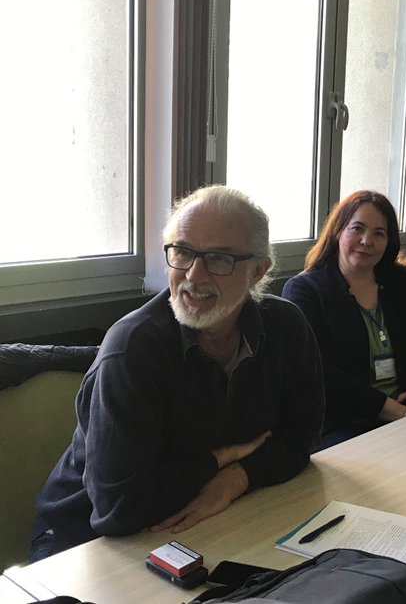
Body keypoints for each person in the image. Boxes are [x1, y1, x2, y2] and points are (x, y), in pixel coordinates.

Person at [31, 186, 325, 560]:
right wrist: (222, 458)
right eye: (183, 252)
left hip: (207, 523)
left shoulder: (286, 326)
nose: (193, 274)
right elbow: (119, 508)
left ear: (257, 271)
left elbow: (303, 436)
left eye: (218, 258)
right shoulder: (133, 349)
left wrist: (236, 478)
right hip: (80, 542)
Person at [282, 191, 406, 449]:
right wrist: (393, 411)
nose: (366, 241)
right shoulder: (305, 290)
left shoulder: (405, 283)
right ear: (338, 232)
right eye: (357, 228)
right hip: (342, 422)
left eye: (379, 234)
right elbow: (320, 375)